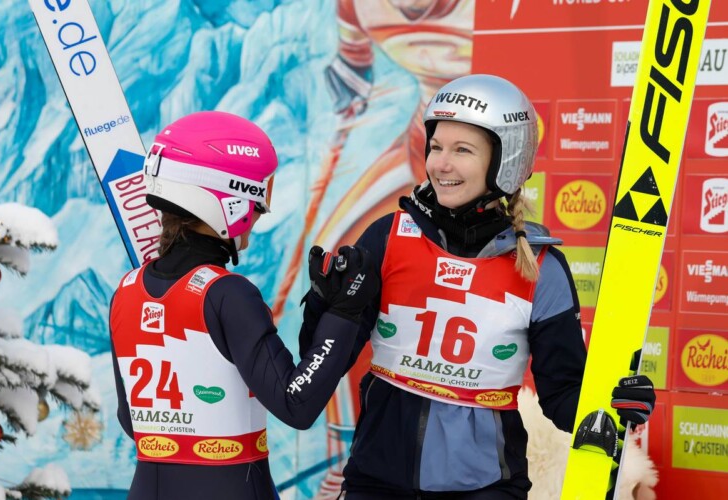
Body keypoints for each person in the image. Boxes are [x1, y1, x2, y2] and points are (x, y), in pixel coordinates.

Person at [299, 75, 656, 498]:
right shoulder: (389, 238)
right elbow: (322, 364)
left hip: (486, 488)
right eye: (436, 146)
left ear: (506, 160)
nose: (440, 164)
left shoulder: (541, 268)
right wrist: (325, 307)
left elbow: (564, 397)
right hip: (376, 482)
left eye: (462, 150)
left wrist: (612, 407)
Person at [109, 111, 379, 500]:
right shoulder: (227, 293)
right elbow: (295, 404)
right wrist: (344, 312)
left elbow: (131, 420)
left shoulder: (126, 290)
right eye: (256, 204)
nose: (256, 219)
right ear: (229, 202)